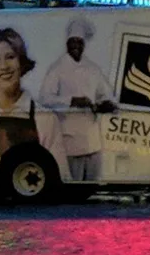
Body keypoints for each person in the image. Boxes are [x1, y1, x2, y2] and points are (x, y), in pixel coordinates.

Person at [37, 18, 111, 182]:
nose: (76, 45)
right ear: (67, 43)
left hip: (93, 138)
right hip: (70, 136)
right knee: (75, 183)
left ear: (84, 45)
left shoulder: (92, 69)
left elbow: (104, 93)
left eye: (80, 42)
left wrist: (105, 103)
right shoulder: (58, 69)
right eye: (73, 41)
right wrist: (72, 100)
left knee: (92, 183)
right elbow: (44, 98)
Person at [0, 27, 42, 157]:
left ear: (22, 63)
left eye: (10, 57)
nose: (4, 66)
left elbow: (59, 173)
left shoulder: (45, 119)